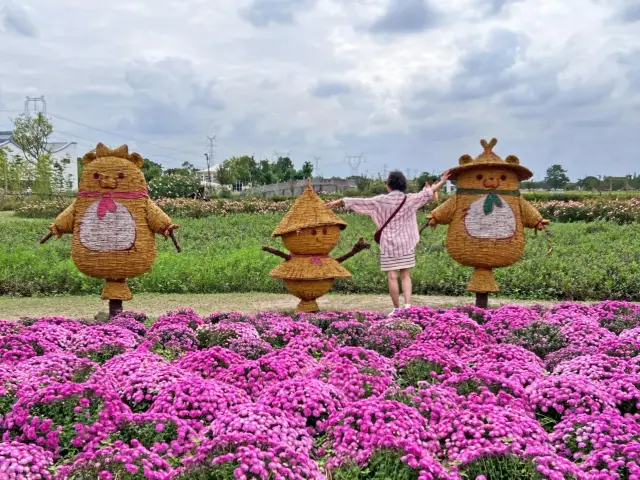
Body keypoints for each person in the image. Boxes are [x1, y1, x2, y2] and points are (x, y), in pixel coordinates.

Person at [326, 170, 450, 315]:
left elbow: (361, 201)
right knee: (405, 274)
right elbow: (428, 193)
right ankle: (408, 305)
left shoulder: (381, 200)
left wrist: (341, 201)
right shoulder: (410, 199)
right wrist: (442, 181)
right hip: (406, 243)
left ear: (388, 185)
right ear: (403, 185)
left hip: (388, 244)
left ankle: (396, 308)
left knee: (392, 275)